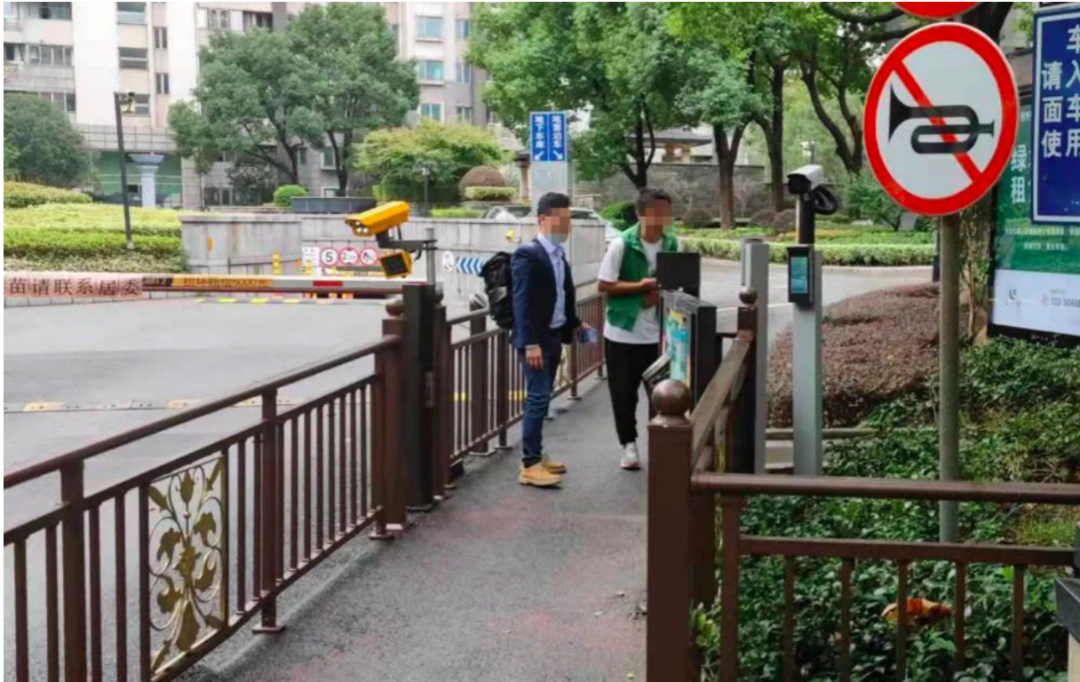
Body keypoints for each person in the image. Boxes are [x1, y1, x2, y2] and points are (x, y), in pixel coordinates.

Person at [597, 187, 679, 470]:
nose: (663, 218)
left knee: (662, 395)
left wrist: (663, 297)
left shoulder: (672, 244)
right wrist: (639, 289)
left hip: (660, 336)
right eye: (657, 212)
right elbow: (604, 284)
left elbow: (680, 283)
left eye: (666, 212)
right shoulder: (622, 244)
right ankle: (628, 445)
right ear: (641, 214)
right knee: (624, 395)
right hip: (622, 334)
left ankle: (661, 445)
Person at [511, 192, 587, 488]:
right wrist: (530, 343)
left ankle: (536, 455)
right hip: (536, 340)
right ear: (543, 219)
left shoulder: (558, 255)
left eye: (569, 220)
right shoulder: (528, 254)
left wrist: (576, 323)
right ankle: (529, 465)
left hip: (554, 335)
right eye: (561, 220)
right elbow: (522, 303)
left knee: (542, 397)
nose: (567, 226)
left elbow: (562, 294)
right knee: (538, 397)